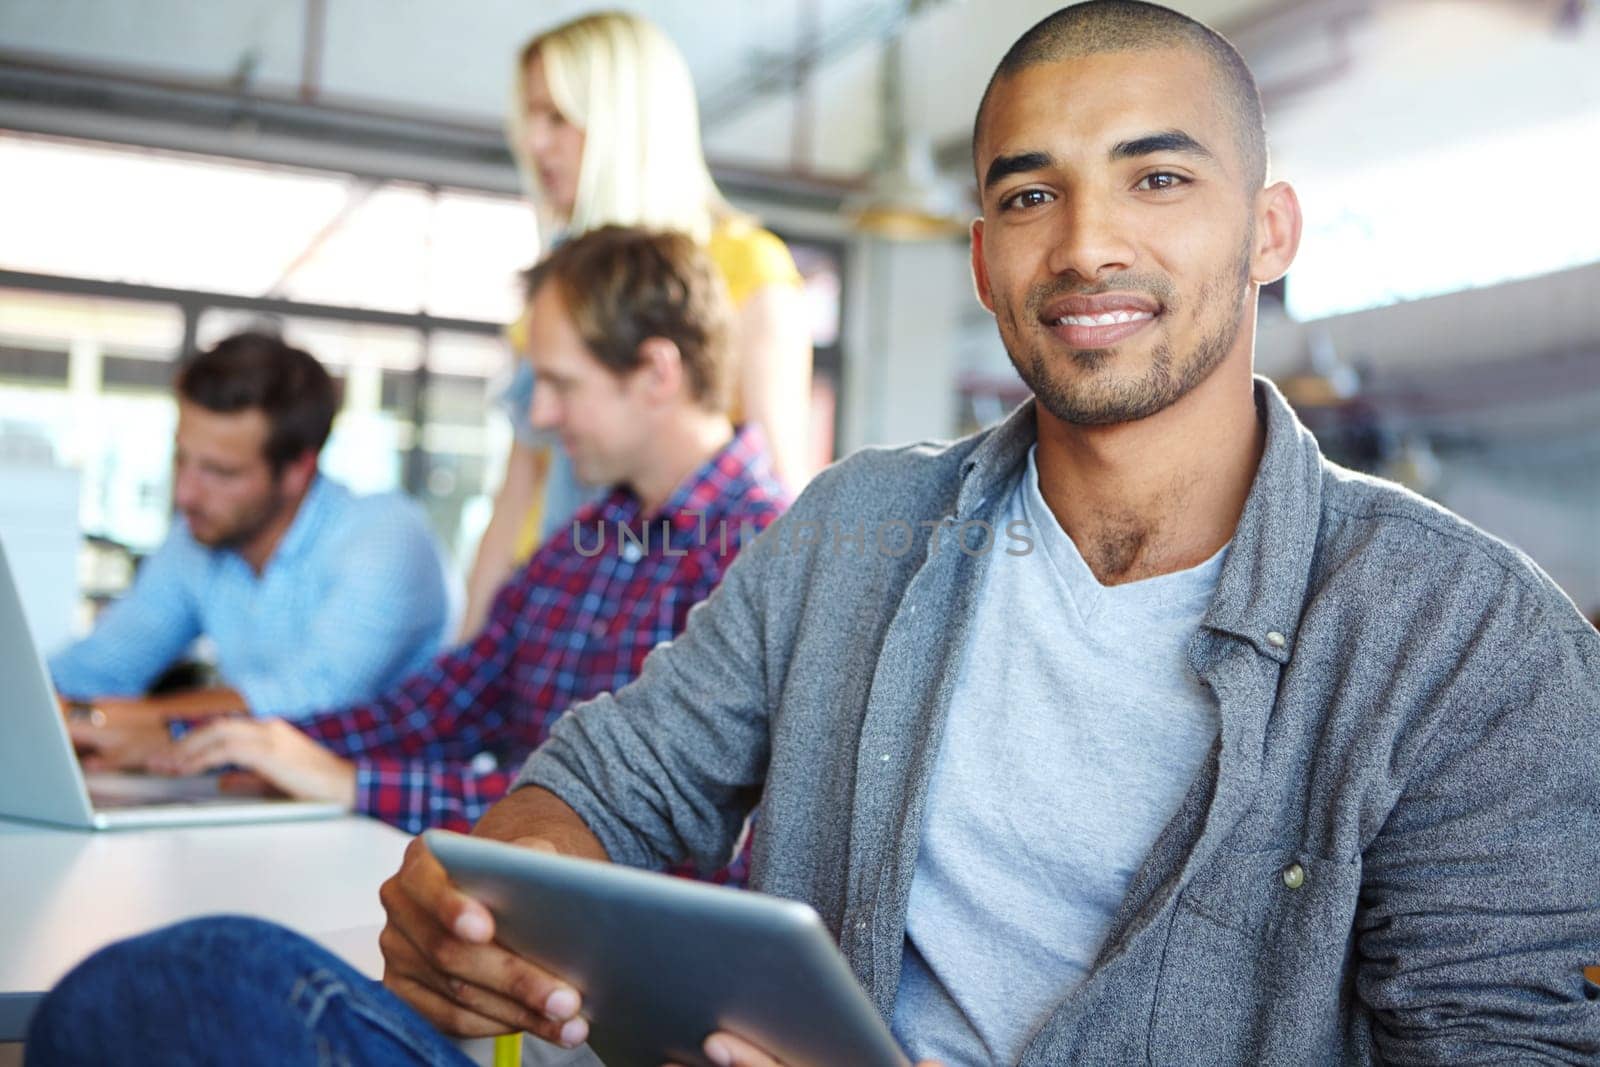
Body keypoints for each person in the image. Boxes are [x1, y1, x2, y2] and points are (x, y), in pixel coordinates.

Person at [28, 3, 1600, 1066]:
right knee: (173, 987)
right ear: (982, 258)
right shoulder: (859, 530)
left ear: (1269, 233)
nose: (1088, 242)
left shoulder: (1471, 640)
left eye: (1159, 177)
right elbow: (610, 778)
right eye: (1027, 194)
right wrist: (486, 894)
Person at [68, 227, 787, 844]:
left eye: (562, 384)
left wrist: (352, 783)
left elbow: (625, 813)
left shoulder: (765, 560)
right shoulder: (587, 540)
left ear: (657, 371)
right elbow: (438, 709)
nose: (540, 412)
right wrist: (223, 746)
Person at [458, 10, 814, 641]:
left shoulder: (747, 267)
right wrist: (471, 644)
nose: (535, 145)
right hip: (547, 607)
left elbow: (781, 496)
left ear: (626, 119)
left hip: (672, 621)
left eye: (558, 118)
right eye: (531, 120)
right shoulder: (549, 294)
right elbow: (515, 492)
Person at [49, 331, 451, 723]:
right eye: (181, 459)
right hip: (251, 785)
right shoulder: (198, 539)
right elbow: (98, 666)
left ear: (297, 470)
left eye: (220, 472)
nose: (185, 494)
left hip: (371, 786)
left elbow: (313, 699)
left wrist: (108, 719)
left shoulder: (384, 537)